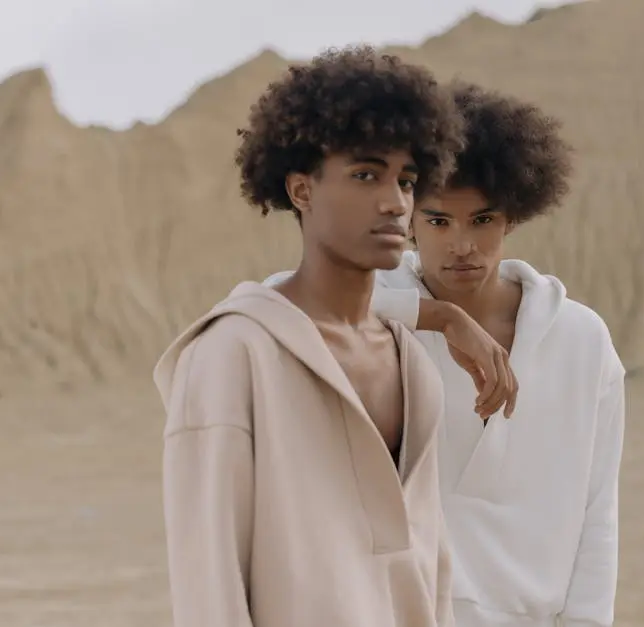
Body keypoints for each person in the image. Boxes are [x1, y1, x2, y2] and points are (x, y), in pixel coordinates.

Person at [267, 80, 627, 627]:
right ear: (409, 218)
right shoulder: (376, 318)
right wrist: (438, 317)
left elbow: (597, 510)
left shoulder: (582, 340)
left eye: (482, 220)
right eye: (438, 221)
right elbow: (274, 308)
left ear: (514, 217)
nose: (462, 244)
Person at [151, 46, 484, 627]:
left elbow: (430, 568)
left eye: (406, 180)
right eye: (365, 175)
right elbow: (207, 582)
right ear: (301, 191)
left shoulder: (413, 367)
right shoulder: (233, 355)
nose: (394, 202)